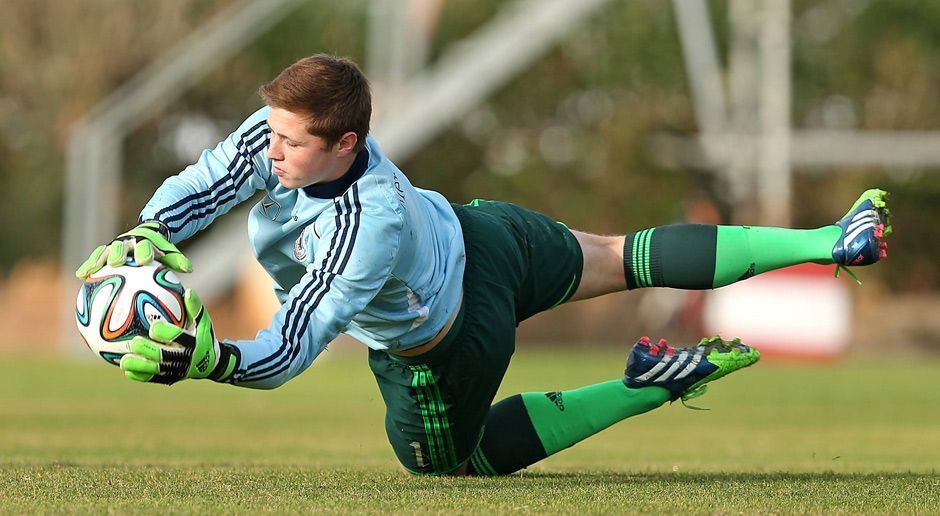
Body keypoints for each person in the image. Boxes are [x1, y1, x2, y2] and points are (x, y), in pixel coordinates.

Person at [75, 54, 892, 476]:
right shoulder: (289, 137)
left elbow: (293, 347)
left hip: (454, 340)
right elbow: (213, 175)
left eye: (291, 140)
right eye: (273, 129)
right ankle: (831, 238)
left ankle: (650, 384)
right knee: (619, 254)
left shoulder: (365, 229)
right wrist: (152, 231)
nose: (271, 147)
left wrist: (208, 360)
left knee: (451, 468)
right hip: (483, 233)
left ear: (347, 144)